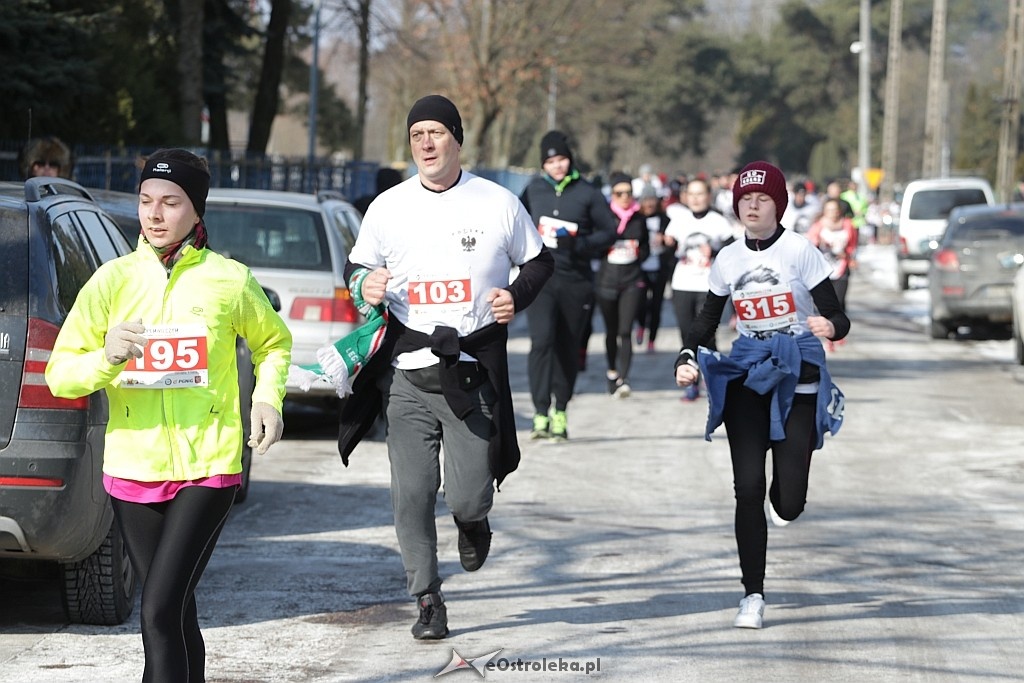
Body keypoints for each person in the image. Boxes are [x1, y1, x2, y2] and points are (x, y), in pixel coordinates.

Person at [44, 148, 292, 681]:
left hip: (209, 465)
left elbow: (274, 342)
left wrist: (267, 397)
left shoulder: (229, 280)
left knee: (156, 610)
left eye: (171, 203)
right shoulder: (112, 281)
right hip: (135, 468)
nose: (155, 215)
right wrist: (106, 356)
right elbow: (60, 376)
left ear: (197, 210)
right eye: (146, 201)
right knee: (176, 610)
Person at [338, 94, 554, 640]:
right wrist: (365, 283)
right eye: (417, 136)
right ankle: (428, 598)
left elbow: (540, 261)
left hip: (470, 369)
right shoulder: (388, 206)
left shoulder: (498, 203)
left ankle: (472, 520)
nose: (427, 144)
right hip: (408, 375)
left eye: (436, 132)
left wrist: (515, 295)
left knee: (466, 493)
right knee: (410, 496)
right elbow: (356, 267)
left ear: (457, 138)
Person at [673, 161, 849, 631]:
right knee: (747, 489)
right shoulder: (727, 258)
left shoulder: (800, 252)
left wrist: (830, 326)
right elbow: (705, 323)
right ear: (736, 206)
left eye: (763, 198)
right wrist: (687, 357)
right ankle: (752, 594)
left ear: (778, 205)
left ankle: (785, 495)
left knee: (788, 503)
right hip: (749, 376)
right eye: (745, 199)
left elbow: (838, 314)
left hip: (799, 379)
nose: (753, 205)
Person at [520, 130, 618, 440]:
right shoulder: (533, 190)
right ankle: (539, 413)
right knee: (541, 342)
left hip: (576, 281)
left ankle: (560, 411)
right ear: (543, 164)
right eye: (550, 161)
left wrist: (579, 243)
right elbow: (514, 224)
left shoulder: (587, 192)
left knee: (566, 346)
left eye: (561, 159)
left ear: (570, 160)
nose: (557, 166)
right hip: (540, 280)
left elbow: (610, 232)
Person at [664, 178, 736, 400]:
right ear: (686, 197)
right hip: (682, 283)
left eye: (700, 193)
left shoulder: (718, 221)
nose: (695, 198)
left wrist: (713, 252)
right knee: (687, 333)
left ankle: (712, 379)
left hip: (708, 284)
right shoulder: (679, 220)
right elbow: (668, 248)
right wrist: (666, 244)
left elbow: (731, 249)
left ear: (708, 196)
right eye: (691, 194)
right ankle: (690, 379)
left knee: (707, 333)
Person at [596, 173, 650, 397]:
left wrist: (637, 253)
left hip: (631, 281)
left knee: (625, 331)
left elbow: (646, 247)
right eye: (620, 193)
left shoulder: (639, 218)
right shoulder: (604, 217)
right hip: (607, 282)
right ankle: (611, 371)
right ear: (612, 195)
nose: (625, 197)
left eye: (628, 193)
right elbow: (595, 245)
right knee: (611, 332)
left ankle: (624, 378)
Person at [806, 197, 858, 340]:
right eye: (829, 210)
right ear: (824, 211)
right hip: (822, 270)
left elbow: (852, 245)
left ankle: (839, 331)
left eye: (835, 210)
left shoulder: (848, 225)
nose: (832, 213)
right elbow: (810, 246)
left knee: (840, 301)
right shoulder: (818, 226)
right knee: (826, 305)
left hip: (841, 267)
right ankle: (829, 335)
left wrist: (849, 256)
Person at [635, 185, 673, 353]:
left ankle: (652, 340)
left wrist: (665, 239)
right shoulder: (636, 218)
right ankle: (641, 325)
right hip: (641, 267)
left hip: (659, 266)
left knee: (657, 305)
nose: (649, 203)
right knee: (640, 303)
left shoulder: (665, 219)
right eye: (645, 200)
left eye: (652, 200)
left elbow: (674, 242)